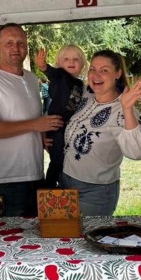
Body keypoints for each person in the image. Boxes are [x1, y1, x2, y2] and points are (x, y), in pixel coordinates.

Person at [0, 23, 64, 217]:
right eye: (9, 43)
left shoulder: (30, 78)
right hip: (5, 180)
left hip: (36, 174)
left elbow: (25, 120)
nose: (16, 48)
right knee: (9, 240)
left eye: (21, 43)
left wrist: (41, 137)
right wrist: (35, 125)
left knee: (37, 240)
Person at [61, 50, 141, 216]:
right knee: (65, 237)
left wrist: (127, 108)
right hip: (66, 182)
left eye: (104, 70)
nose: (96, 75)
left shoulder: (122, 109)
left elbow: (139, 152)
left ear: (117, 74)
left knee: (85, 239)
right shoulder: (86, 96)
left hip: (96, 191)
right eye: (92, 69)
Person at [33, 45, 86, 188]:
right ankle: (48, 189)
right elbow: (52, 73)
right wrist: (43, 66)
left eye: (76, 59)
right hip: (56, 126)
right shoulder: (61, 76)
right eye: (66, 59)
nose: (71, 62)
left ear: (82, 65)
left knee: (66, 160)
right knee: (58, 161)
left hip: (68, 127)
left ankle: (60, 187)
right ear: (59, 63)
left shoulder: (80, 84)